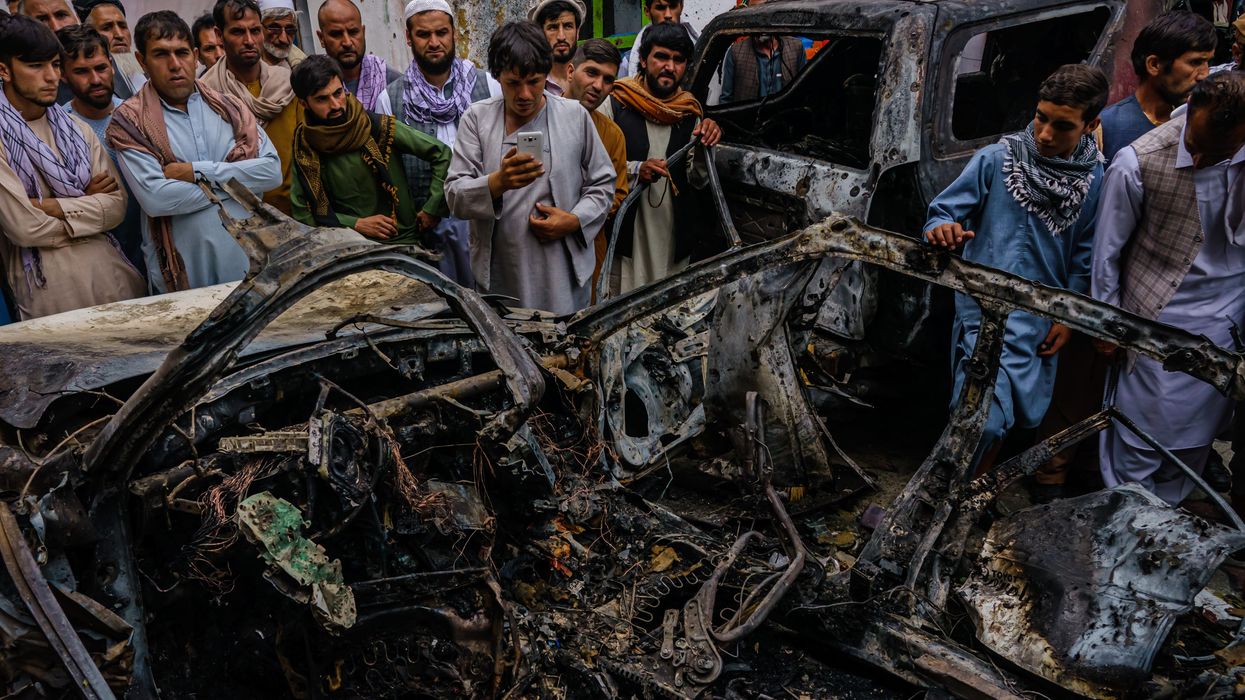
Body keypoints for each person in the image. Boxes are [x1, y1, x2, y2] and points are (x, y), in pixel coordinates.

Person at [923, 64, 1108, 470]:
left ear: (1090, 124)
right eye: (1041, 118)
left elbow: (1084, 256)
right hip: (983, 313)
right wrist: (944, 230)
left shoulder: (1094, 179)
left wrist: (1068, 316)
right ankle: (948, 491)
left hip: (1040, 322)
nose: (1045, 134)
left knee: (1013, 420)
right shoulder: (995, 160)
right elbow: (941, 213)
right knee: (980, 420)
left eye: (1062, 126)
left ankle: (972, 490)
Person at [1092, 72, 1245, 505]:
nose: (1196, 161)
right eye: (1193, 148)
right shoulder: (1137, 161)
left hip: (1226, 331)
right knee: (1136, 445)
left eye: (1215, 154)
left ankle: (1164, 534)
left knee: (1192, 451)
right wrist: (1108, 323)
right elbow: (1106, 253)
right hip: (1153, 324)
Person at [445, 20, 613, 313]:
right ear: (497, 77)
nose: (524, 94)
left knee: (566, 351)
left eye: (534, 81)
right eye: (513, 83)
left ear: (547, 75)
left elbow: (603, 184)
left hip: (562, 276)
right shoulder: (477, 119)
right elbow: (455, 194)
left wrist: (573, 220)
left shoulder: (574, 116)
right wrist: (498, 182)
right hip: (502, 277)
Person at [109, 10, 282, 293]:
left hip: (250, 267)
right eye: (161, 54)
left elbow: (271, 172)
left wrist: (196, 172)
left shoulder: (231, 108)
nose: (175, 64)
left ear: (195, 55)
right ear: (142, 61)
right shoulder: (130, 121)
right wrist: (238, 185)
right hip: (185, 277)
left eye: (182, 53)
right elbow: (158, 199)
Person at [0, 15, 142, 319]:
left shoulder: (76, 128)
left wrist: (48, 205)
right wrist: (85, 203)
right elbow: (24, 228)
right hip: (50, 295)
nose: (51, 76)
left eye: (53, 64)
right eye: (36, 66)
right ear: (4, 70)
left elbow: (116, 208)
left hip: (115, 282)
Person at [602, 22, 722, 292]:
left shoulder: (690, 111)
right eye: (661, 57)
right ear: (644, 60)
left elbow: (699, 179)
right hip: (627, 236)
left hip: (672, 234)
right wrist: (636, 170)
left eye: (678, 60)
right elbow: (595, 166)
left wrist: (707, 143)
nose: (670, 66)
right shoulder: (616, 101)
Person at [388, 0, 498, 287]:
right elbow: (392, 171)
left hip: (487, 224)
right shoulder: (390, 98)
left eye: (441, 33)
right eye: (424, 35)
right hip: (430, 234)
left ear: (454, 34)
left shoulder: (489, 85)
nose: (434, 42)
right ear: (409, 37)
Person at [290, 55, 450, 246]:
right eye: (322, 99)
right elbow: (303, 213)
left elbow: (441, 153)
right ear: (303, 103)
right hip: (344, 248)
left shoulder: (375, 127)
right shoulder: (304, 145)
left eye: (338, 93)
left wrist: (433, 208)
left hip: (402, 244)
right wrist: (355, 224)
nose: (335, 105)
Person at [58, 23, 145, 274]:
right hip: (104, 257)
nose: (95, 80)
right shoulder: (59, 130)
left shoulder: (139, 115)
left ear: (111, 63)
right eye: (82, 72)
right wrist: (81, 196)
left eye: (101, 68)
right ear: (63, 74)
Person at [202, 0, 300, 215]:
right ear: (220, 35)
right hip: (238, 218)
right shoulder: (206, 95)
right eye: (238, 31)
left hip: (297, 213)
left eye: (255, 30)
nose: (249, 40)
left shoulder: (288, 85)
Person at [1098, 12, 1216, 162]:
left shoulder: (1202, 121)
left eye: (1208, 63)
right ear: (1154, 65)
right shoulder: (1106, 127)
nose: (1204, 75)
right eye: (1195, 62)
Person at [566, 38, 628, 294]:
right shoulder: (537, 117)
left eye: (607, 80)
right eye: (591, 73)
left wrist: (576, 217)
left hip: (587, 243)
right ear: (571, 71)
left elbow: (617, 193)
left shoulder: (612, 135)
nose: (598, 86)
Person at [316, 0, 400, 114]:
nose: (347, 42)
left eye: (353, 32)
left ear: (363, 32)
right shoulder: (313, 86)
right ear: (321, 38)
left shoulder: (392, 83)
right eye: (336, 34)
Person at [720, 33, 807, 104]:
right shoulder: (736, 51)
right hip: (749, 122)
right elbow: (726, 98)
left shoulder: (796, 47)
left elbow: (805, 90)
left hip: (785, 119)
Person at [621, 0, 699, 79]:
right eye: (660, 8)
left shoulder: (701, 51)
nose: (668, 15)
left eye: (673, 7)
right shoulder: (628, 61)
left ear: (681, 7)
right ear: (647, 11)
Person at [528, 0, 584, 95]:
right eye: (553, 27)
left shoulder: (590, 79)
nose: (561, 37)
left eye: (568, 26)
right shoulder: (530, 82)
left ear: (577, 32)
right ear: (541, 33)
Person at [257, 0, 305, 69]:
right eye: (274, 28)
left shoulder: (304, 68)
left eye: (290, 29)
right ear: (259, 28)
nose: (284, 39)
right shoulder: (242, 69)